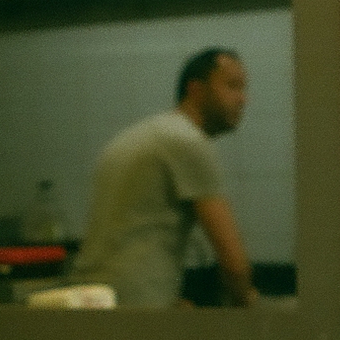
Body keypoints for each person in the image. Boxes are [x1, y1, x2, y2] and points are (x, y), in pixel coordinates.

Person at [71, 49, 258, 308]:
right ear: (196, 90)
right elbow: (234, 264)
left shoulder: (143, 134)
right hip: (138, 308)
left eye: (243, 89)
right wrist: (249, 305)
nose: (243, 99)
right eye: (232, 86)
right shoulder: (187, 142)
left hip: (96, 298)